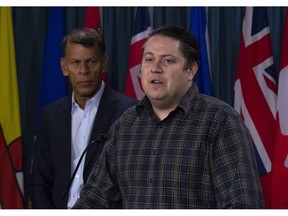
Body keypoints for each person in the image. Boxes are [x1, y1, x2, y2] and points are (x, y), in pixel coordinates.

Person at [72, 26, 265, 209]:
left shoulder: (220, 121)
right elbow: (94, 202)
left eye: (167, 61)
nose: (155, 68)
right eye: (149, 59)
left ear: (191, 70)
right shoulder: (126, 124)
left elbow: (242, 205)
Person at [28, 28, 138, 209]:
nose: (83, 71)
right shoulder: (51, 115)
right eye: (75, 63)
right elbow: (39, 182)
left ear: (104, 63)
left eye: (91, 62)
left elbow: (132, 183)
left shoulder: (128, 111)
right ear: (64, 67)